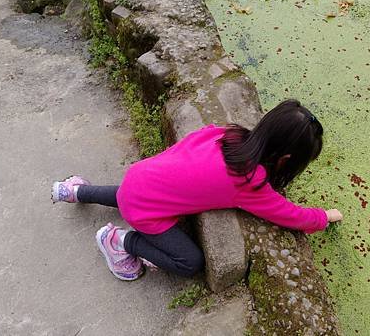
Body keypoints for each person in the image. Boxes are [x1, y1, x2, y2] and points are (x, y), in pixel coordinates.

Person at [51, 99, 343, 281]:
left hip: (140, 177)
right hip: (145, 212)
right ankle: (118, 242)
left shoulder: (228, 134)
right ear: (287, 160)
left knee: (130, 195)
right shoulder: (249, 181)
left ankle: (75, 191)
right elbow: (289, 215)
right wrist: (323, 217)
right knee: (190, 262)